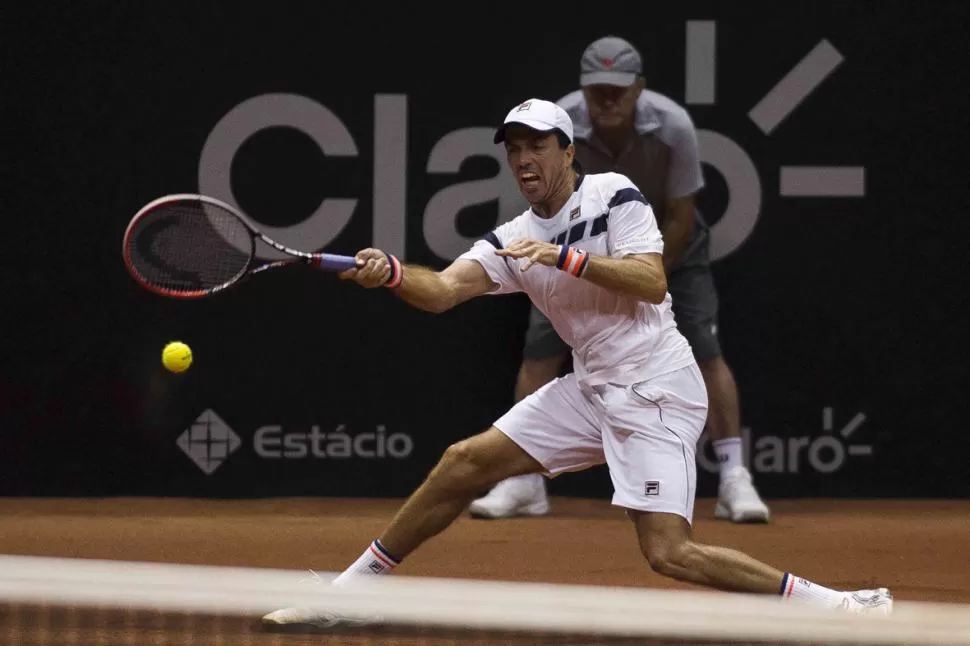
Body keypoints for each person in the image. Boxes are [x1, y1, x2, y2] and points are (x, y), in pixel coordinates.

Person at [262, 98, 892, 630]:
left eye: (537, 146)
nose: (523, 160)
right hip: (591, 389)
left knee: (670, 555)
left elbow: (649, 280)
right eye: (513, 149)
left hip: (658, 389)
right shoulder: (510, 237)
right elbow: (446, 290)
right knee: (464, 463)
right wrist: (394, 274)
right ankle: (348, 596)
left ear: (568, 152)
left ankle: (838, 607)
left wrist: (565, 259)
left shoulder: (612, 194)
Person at [469, 36, 770, 524]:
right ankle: (524, 484)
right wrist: (602, 272)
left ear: (639, 89)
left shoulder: (674, 126)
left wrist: (644, 280)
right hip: (578, 248)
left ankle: (735, 477)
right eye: (597, 90)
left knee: (706, 352)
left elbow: (680, 215)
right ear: (583, 90)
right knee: (539, 351)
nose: (608, 100)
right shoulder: (556, 125)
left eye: (619, 90)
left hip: (670, 248)